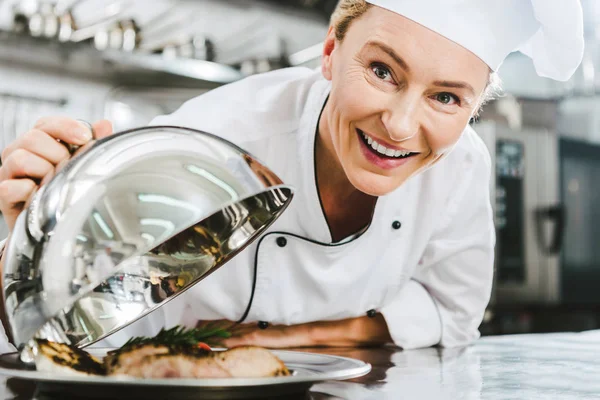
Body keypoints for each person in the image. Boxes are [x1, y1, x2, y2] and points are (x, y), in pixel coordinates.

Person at [0, 0, 584, 353]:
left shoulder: (460, 165)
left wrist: (276, 339)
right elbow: (78, 326)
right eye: (382, 70)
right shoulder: (216, 140)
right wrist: (45, 234)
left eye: (448, 98)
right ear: (330, 51)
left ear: (474, 110)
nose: (402, 126)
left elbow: (452, 315)